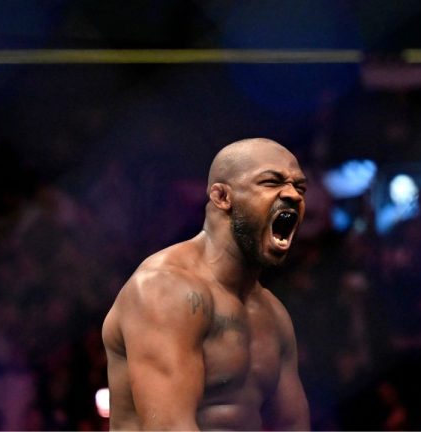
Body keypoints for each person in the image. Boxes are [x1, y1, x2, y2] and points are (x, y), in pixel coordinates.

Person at [102, 138, 310, 430]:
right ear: (222, 196)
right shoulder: (164, 288)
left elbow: (292, 427)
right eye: (270, 182)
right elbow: (169, 428)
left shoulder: (274, 315)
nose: (292, 195)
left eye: (299, 187)